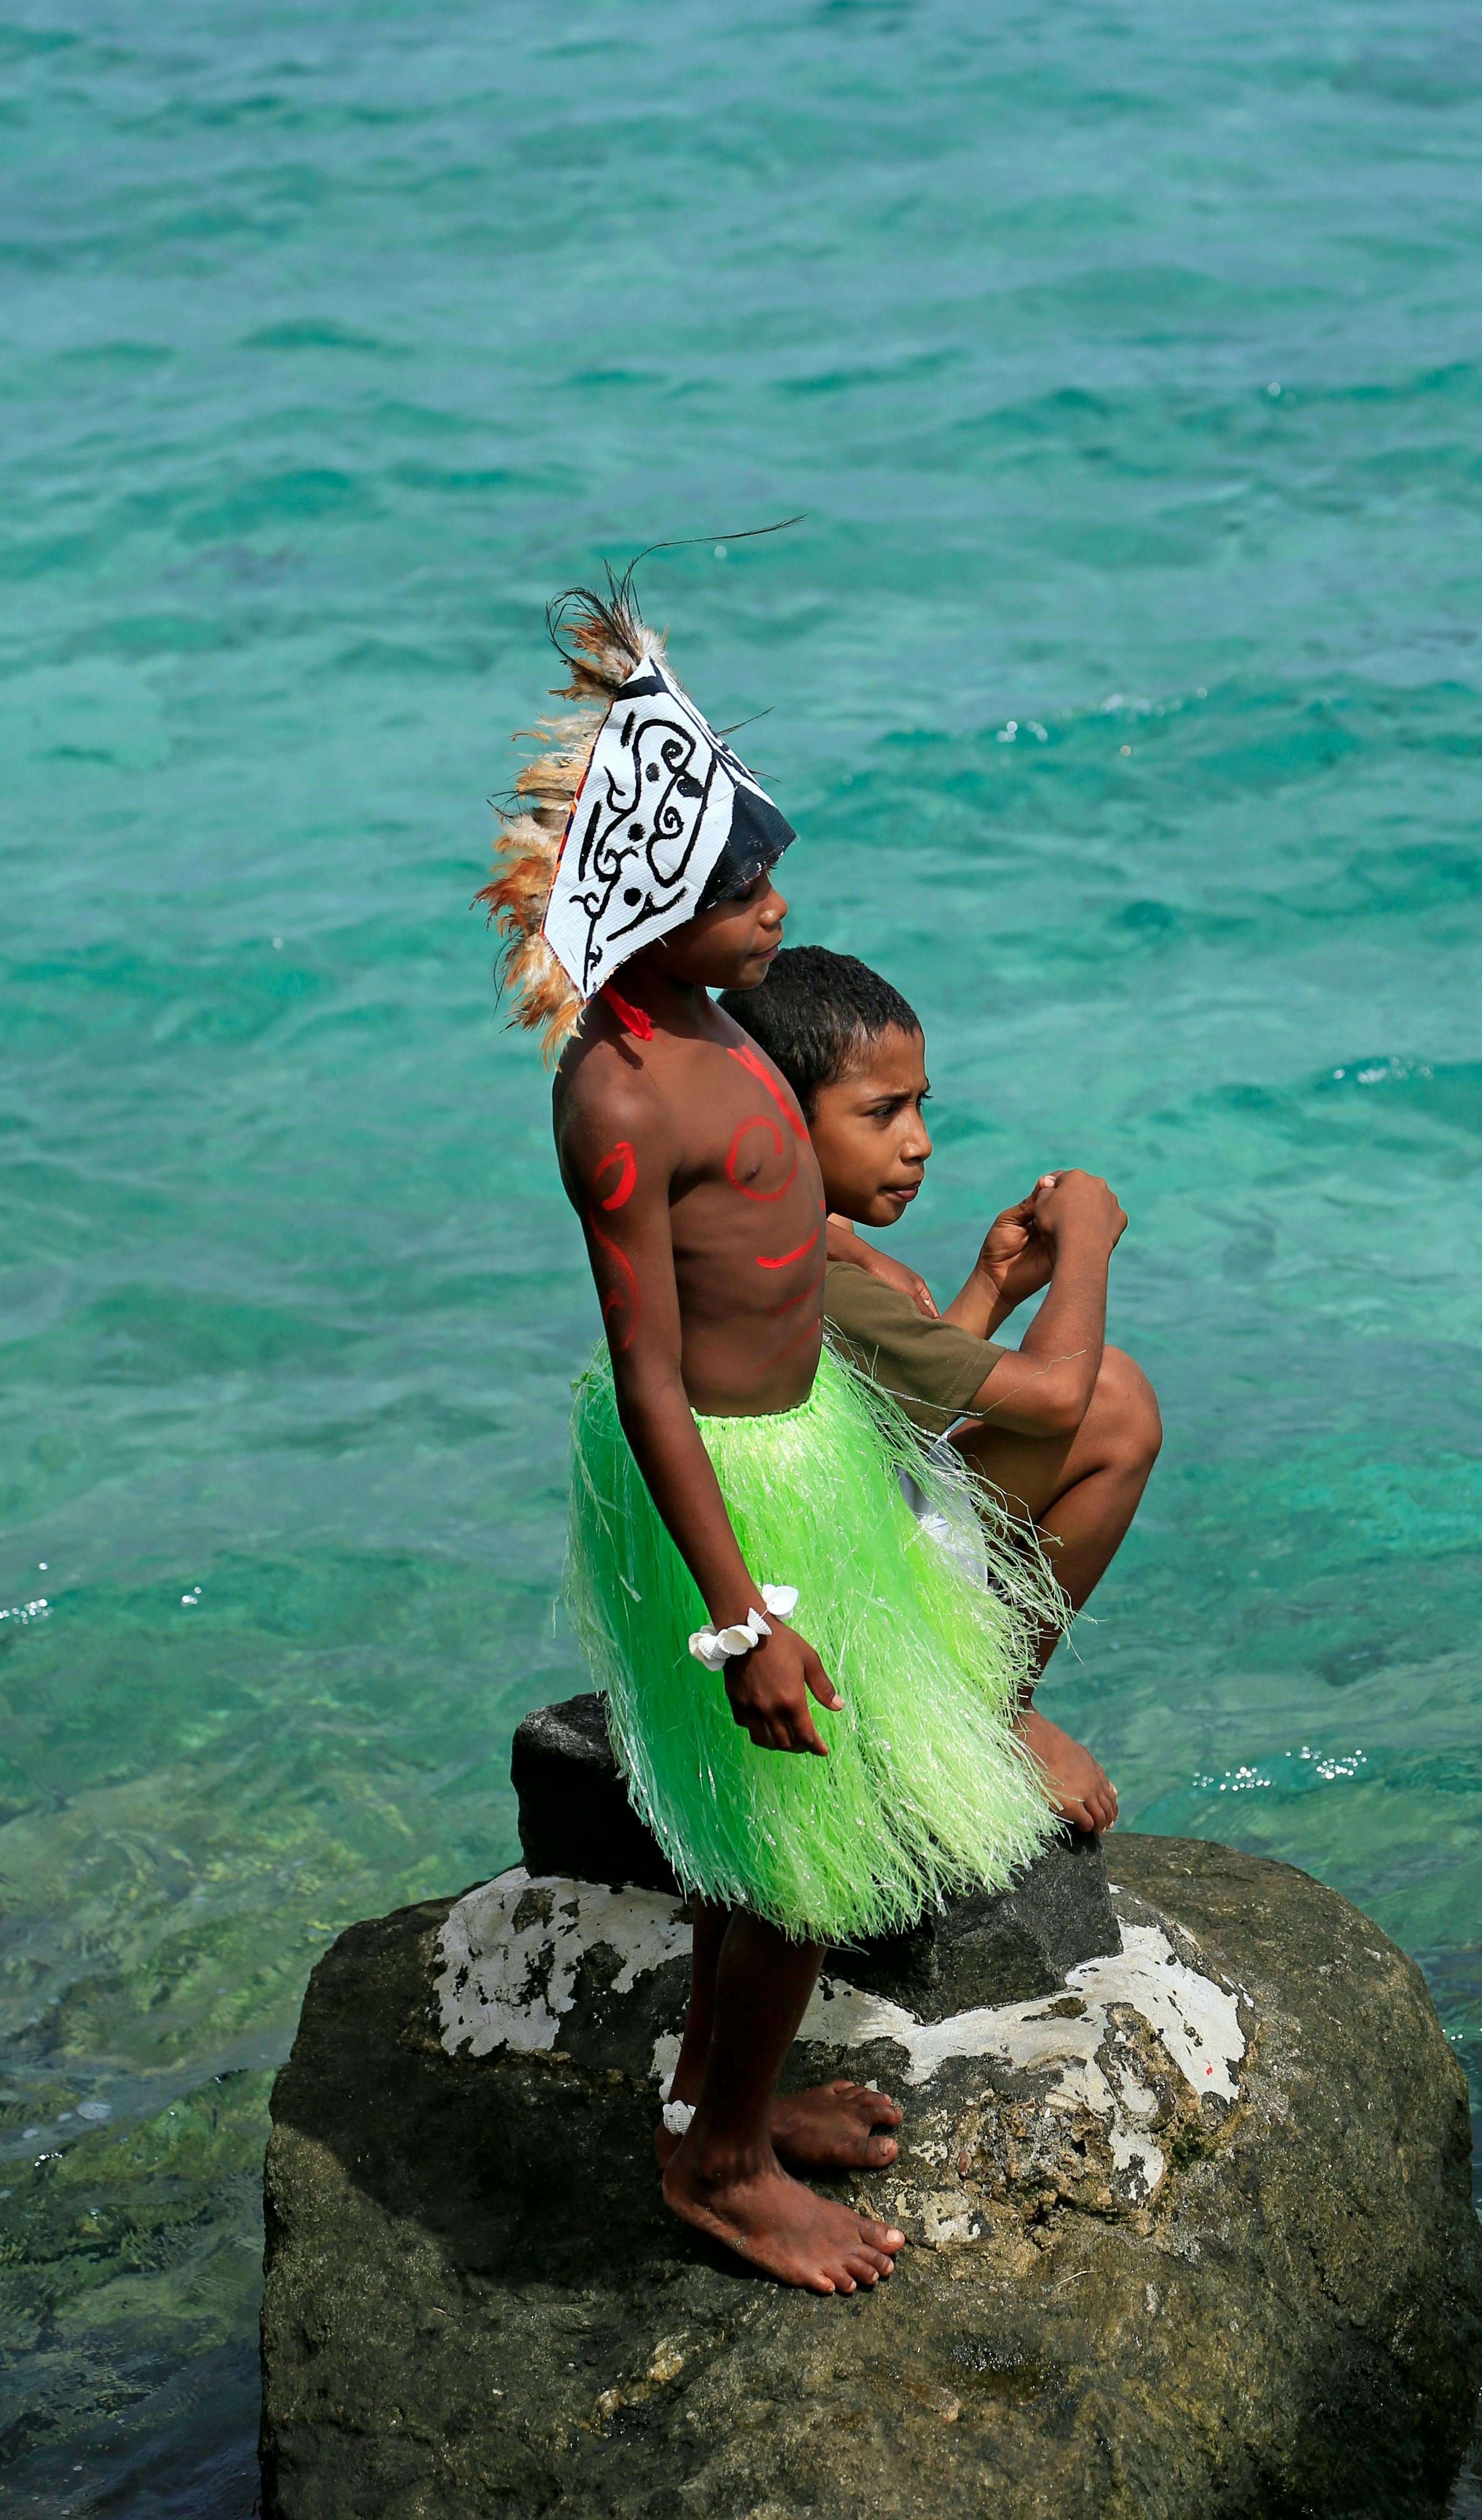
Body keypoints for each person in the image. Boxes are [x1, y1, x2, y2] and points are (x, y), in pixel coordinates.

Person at [477, 576, 1065, 2297]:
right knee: (790, 1847)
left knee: (793, 1842)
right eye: (741, 888)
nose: (776, 908)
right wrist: (740, 1620)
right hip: (725, 1486)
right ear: (659, 904)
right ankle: (717, 2167)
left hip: (802, 1446)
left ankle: (725, 2100)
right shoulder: (619, 1090)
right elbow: (651, 1376)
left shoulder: (719, 1021)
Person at [720, 946, 1162, 1838]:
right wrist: (1083, 1247)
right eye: (882, 1112)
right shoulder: (819, 1274)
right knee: (1114, 1399)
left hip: (841, 1548)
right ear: (780, 1117)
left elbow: (887, 1418)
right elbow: (1054, 1401)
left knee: (1098, 1397)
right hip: (843, 1603)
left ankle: (987, 1706)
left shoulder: (783, 1231)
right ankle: (995, 1713)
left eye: (922, 1104)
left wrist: (995, 1286)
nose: (918, 1140)